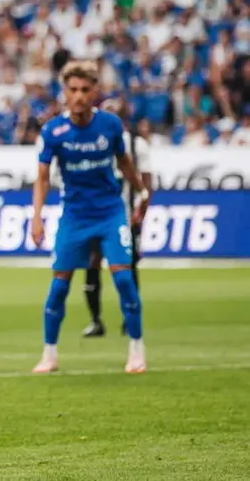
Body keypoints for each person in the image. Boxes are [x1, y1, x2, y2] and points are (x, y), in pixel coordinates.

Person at [31, 61, 150, 374]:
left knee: (123, 278)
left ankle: (137, 350)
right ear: (64, 93)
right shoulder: (52, 131)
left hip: (110, 212)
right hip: (74, 216)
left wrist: (141, 192)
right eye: (73, 90)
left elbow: (124, 162)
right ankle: (49, 354)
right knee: (59, 288)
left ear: (95, 92)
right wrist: (37, 217)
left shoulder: (110, 125)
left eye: (85, 89)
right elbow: (42, 177)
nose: (79, 96)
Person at [81, 99, 153, 338]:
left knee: (127, 266)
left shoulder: (136, 145)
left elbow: (147, 183)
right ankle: (95, 320)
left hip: (125, 216)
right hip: (94, 214)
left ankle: (129, 318)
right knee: (92, 264)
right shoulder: (91, 143)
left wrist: (140, 212)